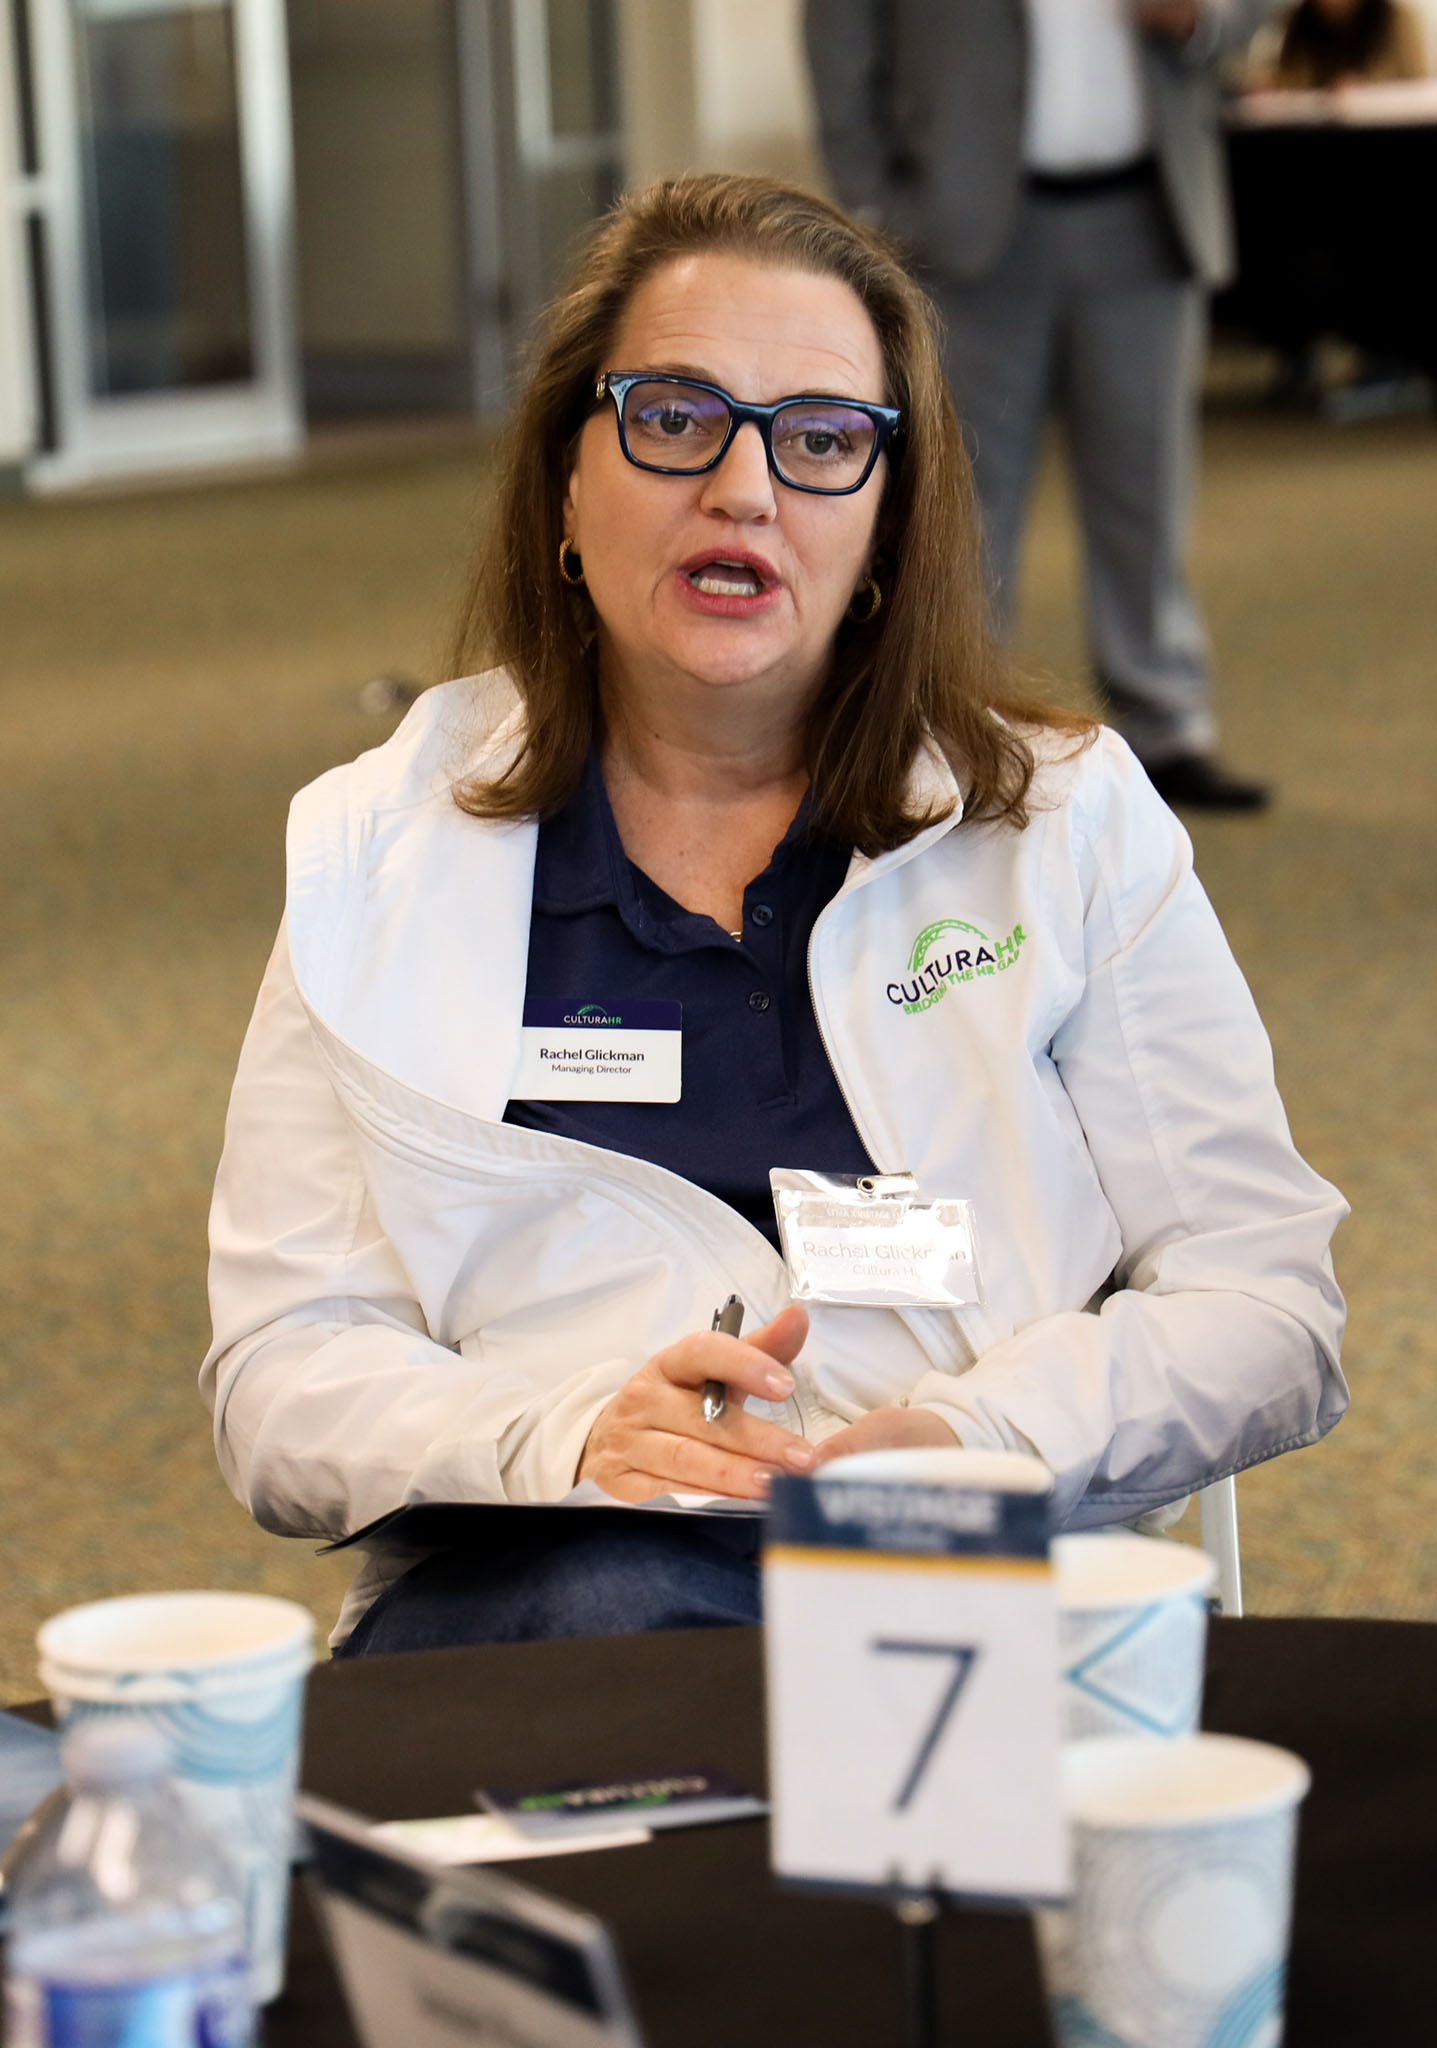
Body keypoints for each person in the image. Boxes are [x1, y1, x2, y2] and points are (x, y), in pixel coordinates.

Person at [201, 174, 1347, 1657]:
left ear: (888, 522)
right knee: (613, 1612)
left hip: (955, 1593)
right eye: (676, 417)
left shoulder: (1060, 821)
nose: (744, 489)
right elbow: (281, 1375)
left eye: (819, 439)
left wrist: (972, 1439)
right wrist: (571, 1439)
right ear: (565, 485)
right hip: (545, 1600)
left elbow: (1265, 1303)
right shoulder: (377, 849)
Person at [804, 0, 1282, 811]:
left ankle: (1165, 724)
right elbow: (840, 27)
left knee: (1147, 488)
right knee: (960, 498)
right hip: (964, 228)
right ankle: (953, 725)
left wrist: (1203, 18)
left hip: (1147, 211)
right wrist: (870, 202)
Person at [1266, 0, 1428, 86]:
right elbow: (1288, 79)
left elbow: (1419, 87)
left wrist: (1369, 90)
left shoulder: (1399, 21)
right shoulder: (1296, 22)